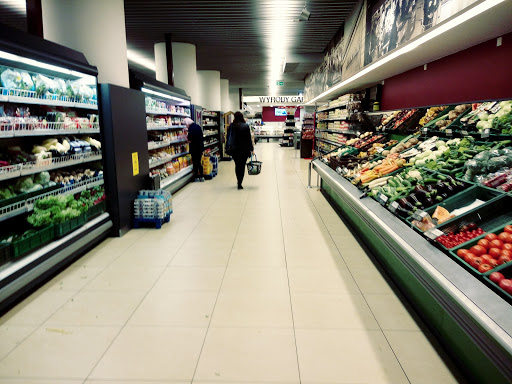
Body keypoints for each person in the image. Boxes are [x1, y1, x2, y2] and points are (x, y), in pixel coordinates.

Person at [227, 111, 254, 189]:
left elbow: (228, 137)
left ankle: (238, 180)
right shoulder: (245, 126)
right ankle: (240, 182)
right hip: (244, 149)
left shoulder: (231, 126)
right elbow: (249, 139)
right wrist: (252, 149)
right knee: (242, 166)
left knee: (237, 165)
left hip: (234, 149)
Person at [185, 117, 204, 182]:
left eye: (186, 124)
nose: (186, 126)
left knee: (195, 162)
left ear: (188, 123)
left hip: (194, 148)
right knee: (199, 162)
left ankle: (196, 177)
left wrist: (185, 138)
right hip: (200, 147)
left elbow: (189, 140)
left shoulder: (190, 129)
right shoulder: (198, 126)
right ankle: (202, 176)